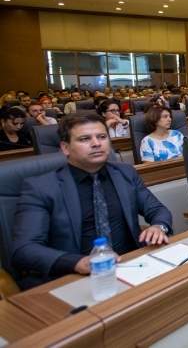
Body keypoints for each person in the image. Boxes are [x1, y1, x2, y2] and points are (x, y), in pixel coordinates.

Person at [11, 114, 172, 289]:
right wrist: (76, 262)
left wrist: (159, 226)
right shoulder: (41, 187)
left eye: (102, 137)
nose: (96, 143)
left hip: (130, 266)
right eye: (85, 139)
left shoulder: (125, 173)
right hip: (73, 278)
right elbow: (24, 248)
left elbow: (157, 210)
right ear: (65, 148)